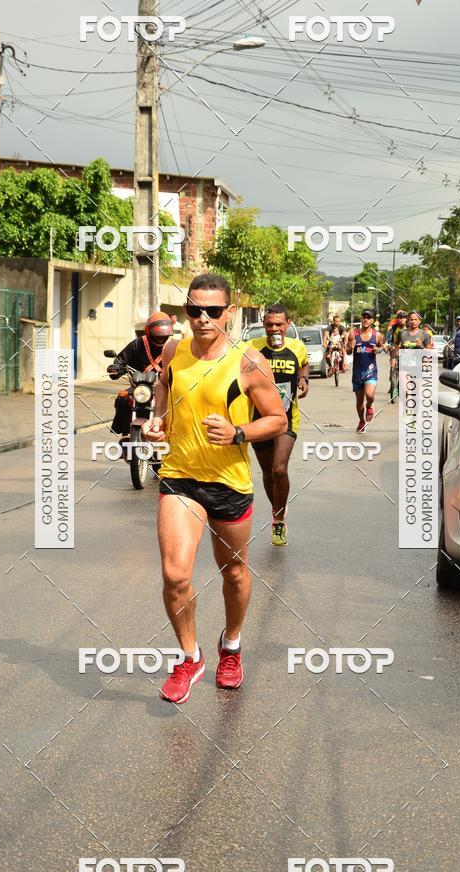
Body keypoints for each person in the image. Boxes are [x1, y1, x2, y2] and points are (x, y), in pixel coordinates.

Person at [142, 273, 287, 704]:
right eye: (193, 310)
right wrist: (159, 420)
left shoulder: (248, 362)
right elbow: (165, 386)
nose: (202, 319)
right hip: (180, 475)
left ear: (229, 313)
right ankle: (190, 657)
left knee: (235, 573)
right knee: (174, 574)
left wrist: (239, 433)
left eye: (212, 311)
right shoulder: (173, 349)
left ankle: (232, 645)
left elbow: (277, 420)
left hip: (229, 483)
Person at [248, 303, 309, 547]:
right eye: (269, 324)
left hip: (286, 418)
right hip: (259, 419)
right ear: (264, 326)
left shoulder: (297, 347)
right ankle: (277, 510)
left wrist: (303, 380)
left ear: (287, 325)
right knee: (266, 472)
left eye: (279, 324)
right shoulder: (252, 349)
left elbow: (303, 364)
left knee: (278, 469)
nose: (274, 328)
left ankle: (278, 520)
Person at [107, 313, 173, 437]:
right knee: (123, 399)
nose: (161, 339)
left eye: (164, 337)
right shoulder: (137, 344)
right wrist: (116, 368)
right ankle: (124, 430)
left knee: (178, 404)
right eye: (158, 336)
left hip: (164, 387)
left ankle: (173, 433)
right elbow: (121, 360)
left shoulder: (172, 347)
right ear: (148, 331)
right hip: (140, 387)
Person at [346, 309, 383, 433]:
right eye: (364, 317)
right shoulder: (353, 334)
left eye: (369, 317)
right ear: (361, 319)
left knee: (369, 395)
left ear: (372, 320)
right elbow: (347, 351)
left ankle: (370, 405)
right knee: (359, 401)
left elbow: (381, 347)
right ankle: (361, 421)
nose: (366, 319)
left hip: (371, 371)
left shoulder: (377, 335)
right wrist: (350, 348)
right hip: (357, 372)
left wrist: (377, 350)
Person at [384, 310, 408, 399]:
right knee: (393, 366)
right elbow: (387, 335)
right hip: (395, 348)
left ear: (406, 319)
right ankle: (393, 382)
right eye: (400, 318)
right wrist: (384, 343)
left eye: (403, 318)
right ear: (397, 319)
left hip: (407, 351)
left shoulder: (410, 327)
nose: (401, 320)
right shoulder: (394, 327)